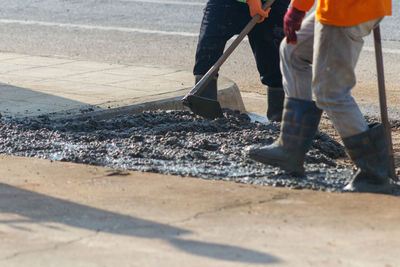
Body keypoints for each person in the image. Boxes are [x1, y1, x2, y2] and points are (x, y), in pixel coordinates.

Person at [249, 0, 393, 193]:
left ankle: (374, 173)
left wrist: (297, 8)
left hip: (344, 9)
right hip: (342, 6)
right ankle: (291, 149)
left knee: (331, 93)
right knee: (293, 51)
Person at [193, 0, 290, 122]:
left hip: (271, 4)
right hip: (226, 4)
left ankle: (279, 122)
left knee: (274, 63)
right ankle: (205, 116)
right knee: (207, 54)